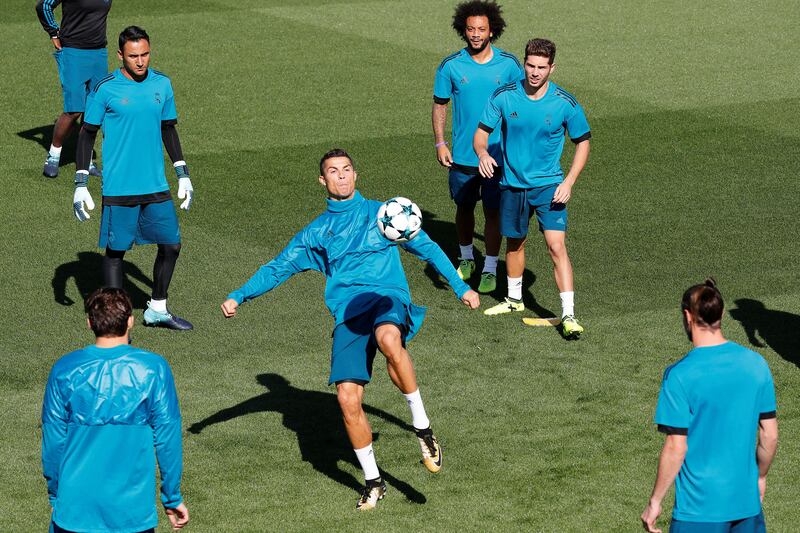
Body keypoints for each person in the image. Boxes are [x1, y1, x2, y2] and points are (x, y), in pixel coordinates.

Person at [221, 149, 480, 510]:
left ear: (356, 175)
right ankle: (374, 482)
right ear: (322, 181)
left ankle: (422, 428)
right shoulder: (317, 233)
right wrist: (240, 295)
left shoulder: (386, 214)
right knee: (347, 399)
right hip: (349, 314)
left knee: (389, 338)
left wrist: (461, 287)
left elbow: (430, 250)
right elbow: (277, 267)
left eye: (346, 170)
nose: (341, 176)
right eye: (333, 172)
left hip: (387, 297)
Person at [73, 25, 195, 330]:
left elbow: (168, 128)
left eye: (145, 54)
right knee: (116, 252)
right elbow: (87, 134)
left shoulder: (162, 85)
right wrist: (81, 183)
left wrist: (182, 174)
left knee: (171, 245)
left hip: (156, 184)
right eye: (133, 56)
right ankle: (114, 323)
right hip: (120, 186)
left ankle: (157, 308)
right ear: (120, 56)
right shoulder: (105, 88)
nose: (140, 61)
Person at [41, 287, 189, 532]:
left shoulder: (64, 369)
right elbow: (168, 438)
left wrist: (56, 496)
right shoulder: (154, 369)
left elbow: (53, 442)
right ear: (130, 321)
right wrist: (171, 497)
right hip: (131, 514)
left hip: (75, 510)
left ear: (89, 323)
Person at [473, 38, 590, 338]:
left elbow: (583, 142)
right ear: (524, 63)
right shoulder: (504, 96)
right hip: (512, 185)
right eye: (530, 65)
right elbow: (481, 134)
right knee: (515, 243)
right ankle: (514, 299)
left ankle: (569, 314)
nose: (534, 72)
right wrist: (483, 154)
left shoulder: (565, 103)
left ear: (552, 68)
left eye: (541, 67)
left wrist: (569, 182)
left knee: (556, 246)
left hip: (550, 188)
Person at [641, 279, 778, 533]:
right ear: (721, 314)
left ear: (687, 316)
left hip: (698, 512)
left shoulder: (679, 375)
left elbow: (676, 446)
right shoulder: (756, 364)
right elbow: (769, 435)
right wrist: (759, 478)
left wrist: (655, 501)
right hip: (747, 505)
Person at [432, 0, 521, 294]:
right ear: (463, 30)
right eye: (470, 29)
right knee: (464, 207)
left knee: (494, 213)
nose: (475, 34)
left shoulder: (509, 65)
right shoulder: (451, 65)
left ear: (492, 31)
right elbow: (440, 105)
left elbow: (521, 104)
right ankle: (467, 257)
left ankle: (491, 267)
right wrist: (440, 142)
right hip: (463, 155)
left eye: (481, 29)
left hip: (498, 157)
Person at [36, 0, 110, 178]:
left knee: (95, 108)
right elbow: (43, 6)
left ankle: (85, 160)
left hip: (99, 52)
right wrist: (53, 32)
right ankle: (54, 155)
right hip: (73, 51)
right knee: (74, 109)